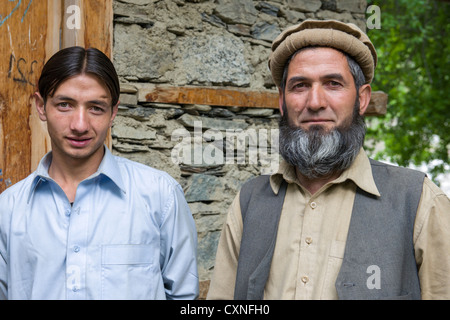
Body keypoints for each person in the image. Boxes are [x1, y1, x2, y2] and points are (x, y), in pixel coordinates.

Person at [207, 20, 450, 300]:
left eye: (333, 84)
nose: (314, 102)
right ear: (282, 102)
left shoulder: (419, 201)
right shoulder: (248, 202)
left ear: (362, 99)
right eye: (300, 86)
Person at [0, 46, 199, 300]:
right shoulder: (8, 209)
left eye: (96, 108)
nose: (80, 125)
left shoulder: (160, 196)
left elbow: (184, 296)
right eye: (64, 105)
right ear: (41, 106)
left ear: (113, 112)